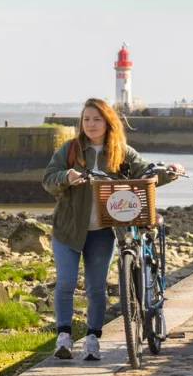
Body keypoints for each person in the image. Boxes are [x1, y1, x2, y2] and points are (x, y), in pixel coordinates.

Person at [43, 98, 185, 361]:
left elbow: (146, 174)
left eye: (97, 119)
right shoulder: (70, 150)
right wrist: (66, 177)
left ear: (107, 123)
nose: (91, 124)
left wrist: (171, 172)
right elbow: (48, 180)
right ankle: (63, 337)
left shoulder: (121, 152)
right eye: (86, 119)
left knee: (96, 288)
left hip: (103, 232)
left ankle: (92, 339)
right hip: (68, 229)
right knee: (65, 283)